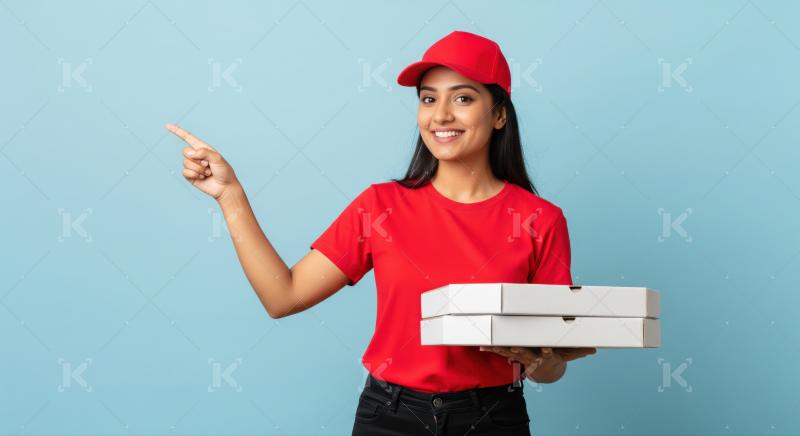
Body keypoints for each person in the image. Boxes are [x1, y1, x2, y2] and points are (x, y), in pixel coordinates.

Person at [167, 30, 596, 436]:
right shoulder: (380, 206)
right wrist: (231, 196)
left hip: (492, 418)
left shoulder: (540, 220)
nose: (441, 115)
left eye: (463, 98)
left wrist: (537, 361)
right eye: (429, 99)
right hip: (391, 417)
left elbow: (551, 369)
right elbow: (284, 296)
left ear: (499, 114)